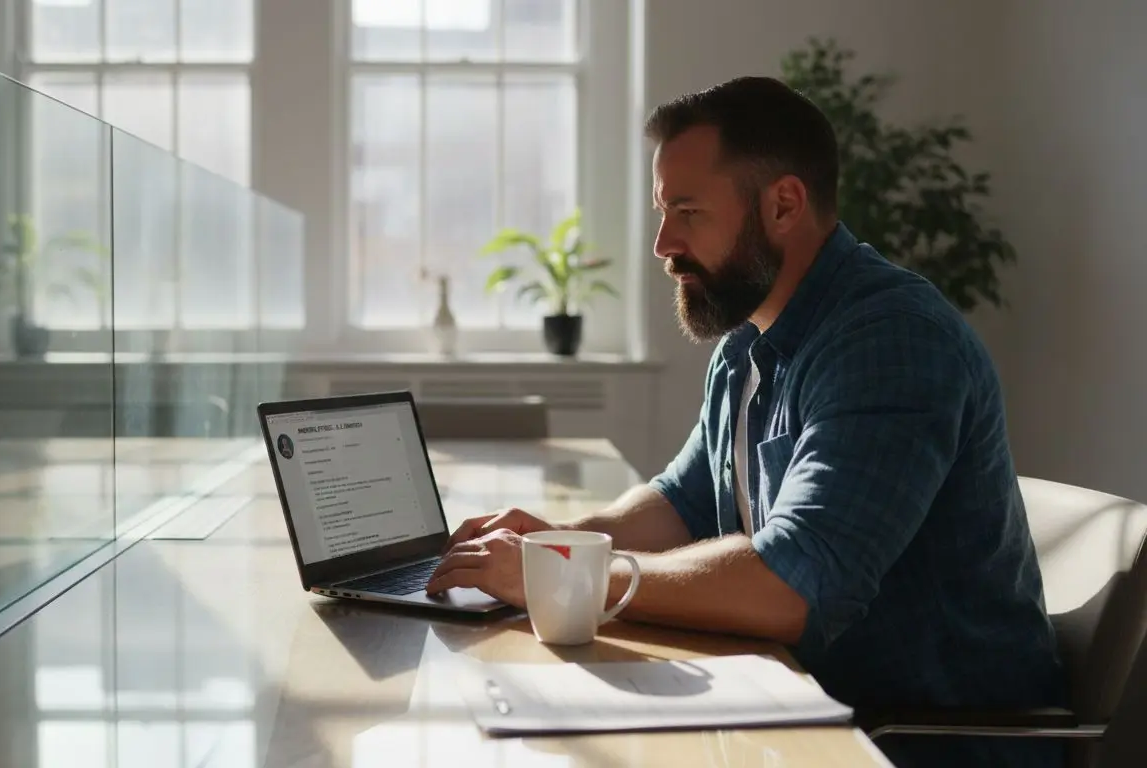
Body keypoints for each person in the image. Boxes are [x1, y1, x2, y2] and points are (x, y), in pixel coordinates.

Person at [425, 76, 1064, 767]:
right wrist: (562, 540)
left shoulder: (893, 343)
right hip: (800, 705)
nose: (663, 243)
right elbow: (684, 499)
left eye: (688, 211)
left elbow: (795, 584)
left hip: (914, 744)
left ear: (784, 205)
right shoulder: (747, 345)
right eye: (662, 212)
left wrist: (567, 579)